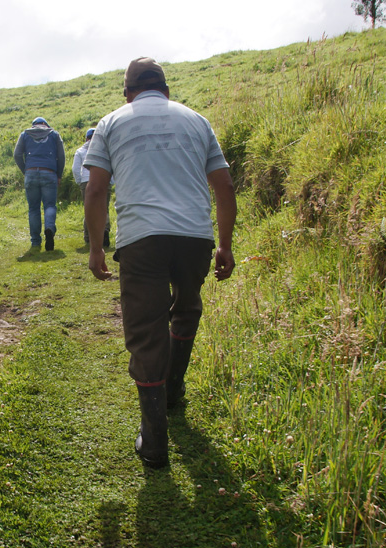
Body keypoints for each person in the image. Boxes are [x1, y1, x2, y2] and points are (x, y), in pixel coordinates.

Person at [83, 57, 237, 468]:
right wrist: (224, 244)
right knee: (186, 310)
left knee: (146, 331)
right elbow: (223, 185)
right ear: (166, 90)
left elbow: (96, 191)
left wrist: (97, 247)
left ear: (128, 93)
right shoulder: (197, 120)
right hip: (194, 236)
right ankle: (172, 394)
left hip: (141, 240)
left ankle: (154, 442)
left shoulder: (111, 122)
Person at [14, 116, 65, 251]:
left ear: (34, 125)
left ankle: (36, 242)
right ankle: (49, 228)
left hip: (31, 172)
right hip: (49, 172)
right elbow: (61, 156)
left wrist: (26, 170)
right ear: (45, 124)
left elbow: (17, 154)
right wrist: (59, 174)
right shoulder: (54, 134)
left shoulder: (25, 134)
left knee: (33, 209)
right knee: (49, 205)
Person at [72, 128, 111, 247]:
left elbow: (75, 169)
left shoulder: (80, 151)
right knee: (104, 208)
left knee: (89, 209)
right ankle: (105, 230)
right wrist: (111, 181)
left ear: (87, 138)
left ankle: (88, 237)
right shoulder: (106, 149)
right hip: (104, 180)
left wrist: (80, 181)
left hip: (86, 181)